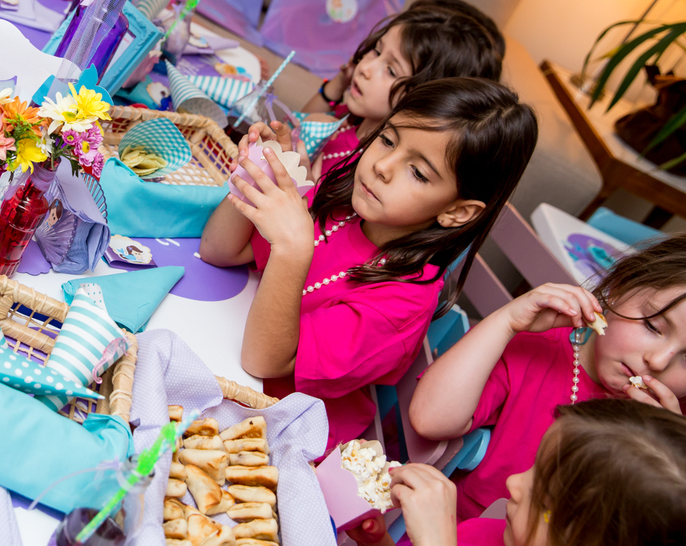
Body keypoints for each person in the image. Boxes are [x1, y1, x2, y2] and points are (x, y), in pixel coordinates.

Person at [200, 78, 538, 451]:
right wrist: (258, 175)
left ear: (456, 211)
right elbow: (219, 250)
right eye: (388, 140)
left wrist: (292, 249)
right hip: (224, 356)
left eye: (418, 172)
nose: (382, 166)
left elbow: (262, 361)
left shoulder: (403, 303)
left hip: (274, 433)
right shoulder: (342, 204)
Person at [407, 233, 686, 520]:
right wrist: (506, 322)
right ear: (619, 288)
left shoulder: (675, 425)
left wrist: (669, 446)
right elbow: (430, 419)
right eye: (652, 326)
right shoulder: (536, 347)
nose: (658, 361)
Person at [350, 400, 686, 546]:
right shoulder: (487, 533)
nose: (513, 483)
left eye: (543, 498)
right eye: (535, 465)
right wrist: (378, 542)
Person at [266, 0, 505, 177]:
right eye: (376, 51)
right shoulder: (356, 117)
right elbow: (297, 124)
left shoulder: (376, 164)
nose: (365, 68)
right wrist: (338, 84)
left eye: (391, 70)